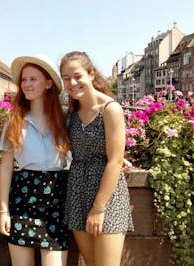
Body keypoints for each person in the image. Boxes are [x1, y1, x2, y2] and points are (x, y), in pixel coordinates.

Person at [60, 51, 134, 266]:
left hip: (106, 197)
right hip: (76, 191)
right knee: (91, 262)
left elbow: (113, 161)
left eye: (77, 76)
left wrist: (98, 208)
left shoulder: (111, 109)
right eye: (66, 78)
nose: (72, 83)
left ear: (91, 74)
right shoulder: (72, 112)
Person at [0, 54, 70, 266]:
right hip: (23, 198)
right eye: (24, 79)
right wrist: (4, 211)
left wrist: (117, 158)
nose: (27, 84)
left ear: (48, 84)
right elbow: (5, 167)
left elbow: (85, 149)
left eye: (33, 79)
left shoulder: (64, 120)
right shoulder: (15, 120)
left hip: (56, 200)